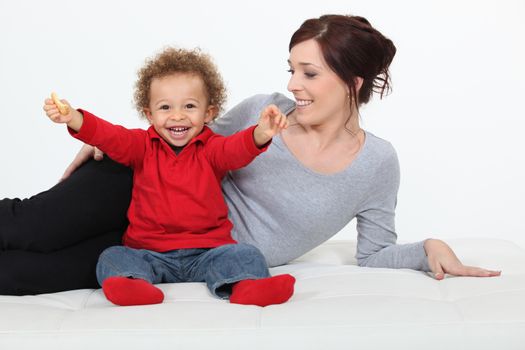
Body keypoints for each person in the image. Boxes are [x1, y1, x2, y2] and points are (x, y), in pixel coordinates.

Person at [0, 14, 500, 296]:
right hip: (139, 187)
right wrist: (103, 139)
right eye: (291, 69)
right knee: (29, 228)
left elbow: (373, 253)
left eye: (309, 73)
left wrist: (427, 247)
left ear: (352, 82)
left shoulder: (377, 164)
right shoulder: (265, 110)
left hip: (192, 252)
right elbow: (182, 132)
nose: (291, 85)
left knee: (24, 277)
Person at [42, 47, 294, 307]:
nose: (177, 116)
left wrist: (261, 133)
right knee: (112, 256)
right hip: (149, 252)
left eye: (189, 106)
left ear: (208, 113)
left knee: (245, 253)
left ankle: (249, 287)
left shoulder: (212, 149)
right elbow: (109, 135)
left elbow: (237, 149)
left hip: (209, 251)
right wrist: (73, 118)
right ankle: (133, 287)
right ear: (149, 114)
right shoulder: (141, 146)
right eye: (165, 107)